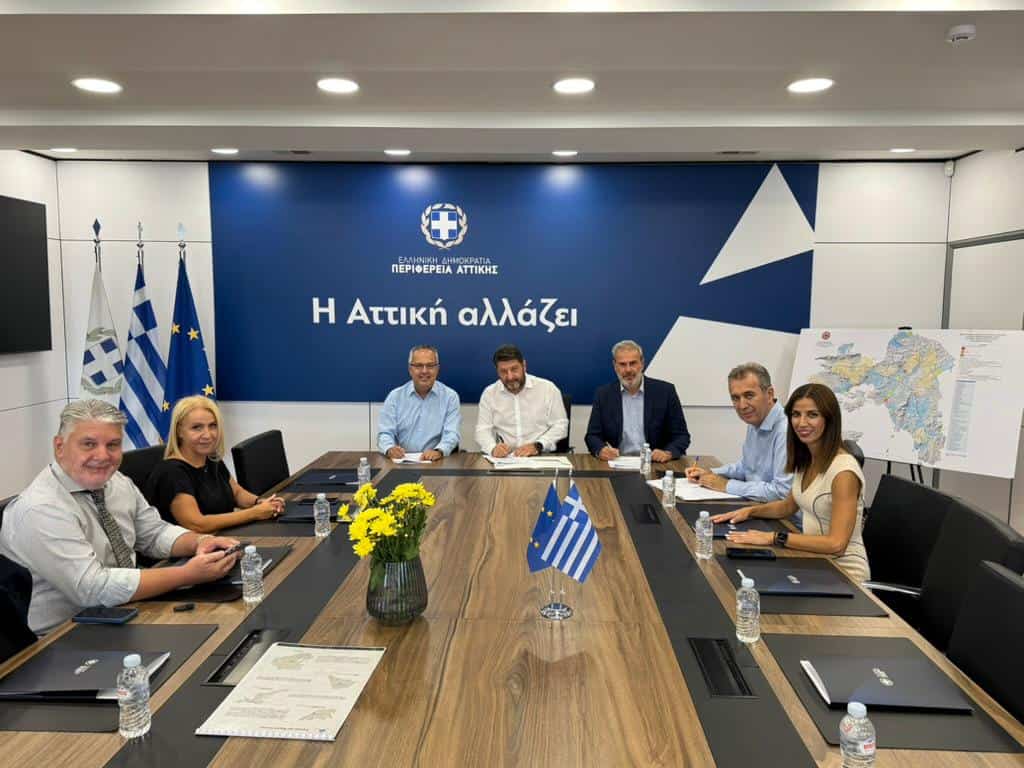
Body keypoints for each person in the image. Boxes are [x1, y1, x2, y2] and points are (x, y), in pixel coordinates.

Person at [0, 400, 241, 634]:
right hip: (64, 635)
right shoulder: (41, 509)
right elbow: (93, 588)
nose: (102, 455)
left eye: (113, 445)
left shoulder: (116, 482)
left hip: (126, 610)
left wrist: (199, 541)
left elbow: (153, 533)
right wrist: (186, 574)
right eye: (88, 444)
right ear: (59, 447)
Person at [711, 383, 870, 582]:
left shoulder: (843, 472)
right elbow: (787, 506)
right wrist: (749, 512)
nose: (801, 423)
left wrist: (773, 537)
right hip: (814, 560)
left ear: (829, 419)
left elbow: (836, 544)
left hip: (844, 573)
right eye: (796, 414)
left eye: (812, 415)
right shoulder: (808, 459)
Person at [145, 396, 285, 532]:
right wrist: (254, 513)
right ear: (179, 431)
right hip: (193, 545)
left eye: (212, 426)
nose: (207, 435)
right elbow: (197, 524)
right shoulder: (171, 473)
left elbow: (236, 493)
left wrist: (260, 502)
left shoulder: (211, 458)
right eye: (197, 427)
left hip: (221, 536)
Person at [685, 363, 792, 502]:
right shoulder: (756, 419)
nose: (742, 405)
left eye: (749, 395)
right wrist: (711, 473)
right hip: (757, 504)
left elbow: (782, 492)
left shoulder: (786, 430)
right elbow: (748, 468)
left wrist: (726, 485)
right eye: (736, 398)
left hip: (780, 514)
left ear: (769, 394)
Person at [584, 339, 690, 462]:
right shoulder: (604, 394)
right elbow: (592, 436)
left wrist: (667, 453)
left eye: (633, 363)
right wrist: (601, 450)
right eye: (622, 364)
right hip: (617, 463)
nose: (628, 370)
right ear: (615, 366)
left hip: (655, 464)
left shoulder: (665, 392)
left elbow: (681, 436)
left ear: (642, 363)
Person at [475, 344, 568, 456]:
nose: (510, 377)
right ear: (497, 372)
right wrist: (492, 448)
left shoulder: (547, 389)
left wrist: (538, 445)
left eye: (514, 369)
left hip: (540, 455)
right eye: (503, 371)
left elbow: (561, 425)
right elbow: (482, 430)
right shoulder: (489, 394)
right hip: (506, 458)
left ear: (524, 365)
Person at [377, 345, 461, 461]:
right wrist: (389, 448)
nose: (424, 371)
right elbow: (385, 433)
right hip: (402, 461)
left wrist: (439, 450)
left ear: (437, 369)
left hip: (437, 462)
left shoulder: (450, 397)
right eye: (418, 366)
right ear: (410, 369)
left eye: (430, 366)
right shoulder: (395, 397)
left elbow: (452, 434)